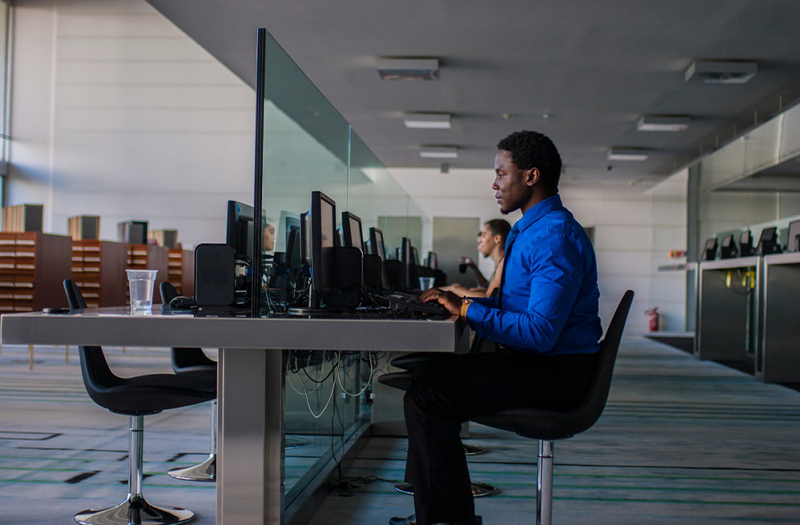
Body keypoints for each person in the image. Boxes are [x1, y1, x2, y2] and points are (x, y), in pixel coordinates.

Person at [391, 131, 602, 525]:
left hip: (558, 374)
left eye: (501, 174)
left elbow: (540, 332)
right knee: (426, 376)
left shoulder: (554, 237)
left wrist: (467, 309)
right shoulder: (533, 230)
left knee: (427, 398)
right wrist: (462, 306)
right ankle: (434, 507)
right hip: (540, 363)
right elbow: (514, 307)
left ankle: (444, 519)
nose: (494, 184)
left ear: (531, 176)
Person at [442, 219, 510, 298]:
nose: (479, 240)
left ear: (497, 238)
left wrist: (453, 289)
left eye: (483, 235)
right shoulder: (500, 262)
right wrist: (474, 269)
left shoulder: (504, 263)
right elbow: (488, 288)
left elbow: (488, 297)